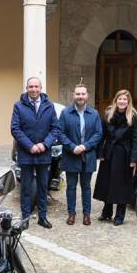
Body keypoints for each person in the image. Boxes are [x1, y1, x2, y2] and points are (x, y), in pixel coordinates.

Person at [10, 77, 60, 229]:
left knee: (43, 186)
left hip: (43, 153)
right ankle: (25, 218)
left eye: (36, 87)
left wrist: (45, 144)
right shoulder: (18, 106)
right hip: (26, 153)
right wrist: (30, 145)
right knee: (26, 187)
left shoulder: (49, 106)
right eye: (31, 87)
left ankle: (42, 217)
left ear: (41, 88)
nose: (33, 89)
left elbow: (55, 128)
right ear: (26, 88)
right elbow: (15, 129)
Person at [57, 83, 103, 226]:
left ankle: (86, 214)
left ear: (87, 96)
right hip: (71, 155)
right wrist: (72, 147)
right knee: (71, 186)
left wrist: (85, 146)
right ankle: (71, 213)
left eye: (83, 94)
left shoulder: (94, 113)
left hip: (88, 155)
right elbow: (60, 133)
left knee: (86, 186)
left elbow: (98, 133)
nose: (80, 97)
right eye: (78, 94)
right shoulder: (65, 113)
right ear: (73, 95)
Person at [93, 89, 137, 225]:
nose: (122, 101)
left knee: (121, 185)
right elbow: (102, 135)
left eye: (125, 99)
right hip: (109, 152)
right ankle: (106, 212)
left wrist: (133, 159)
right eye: (120, 99)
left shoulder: (133, 117)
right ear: (116, 100)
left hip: (124, 154)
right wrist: (100, 153)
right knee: (107, 182)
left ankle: (120, 215)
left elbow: (135, 140)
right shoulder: (108, 114)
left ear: (128, 101)